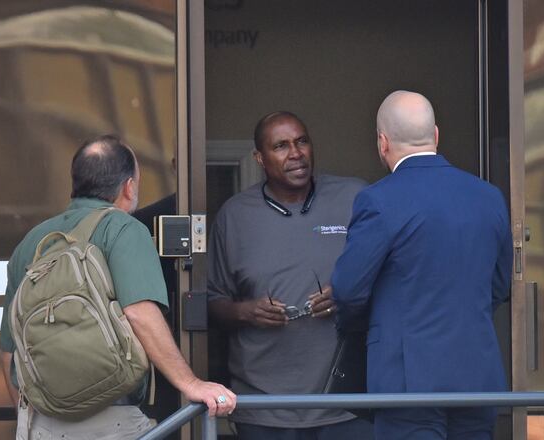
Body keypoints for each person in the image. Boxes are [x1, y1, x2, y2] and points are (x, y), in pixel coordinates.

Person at [0, 135, 235, 439]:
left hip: (38, 422)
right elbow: (140, 313)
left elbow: (8, 347)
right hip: (111, 419)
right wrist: (192, 384)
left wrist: (28, 412)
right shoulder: (124, 228)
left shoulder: (32, 242)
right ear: (129, 186)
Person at [331, 91, 513, 440]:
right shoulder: (489, 197)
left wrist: (364, 327)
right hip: (477, 373)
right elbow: (500, 285)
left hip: (406, 377)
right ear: (436, 135)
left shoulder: (379, 200)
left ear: (382, 142)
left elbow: (349, 290)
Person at [207, 111, 373, 439]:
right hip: (264, 408)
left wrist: (347, 295)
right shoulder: (235, 215)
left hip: (346, 403)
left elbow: (392, 278)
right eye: (281, 146)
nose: (295, 153)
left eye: (302, 142)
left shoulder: (356, 198)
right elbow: (210, 302)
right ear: (259, 158)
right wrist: (246, 311)